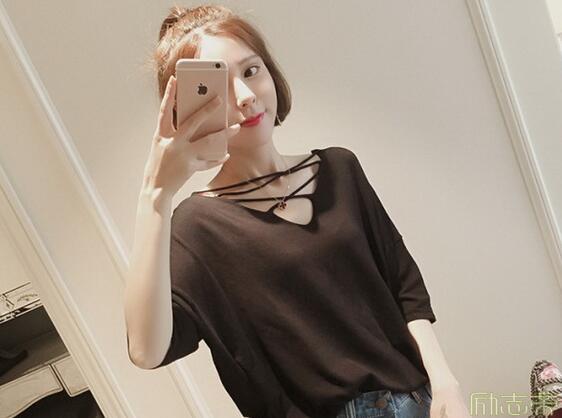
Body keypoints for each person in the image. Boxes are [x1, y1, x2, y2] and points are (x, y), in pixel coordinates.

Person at [123, 4, 471, 418]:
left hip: (416, 400)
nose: (245, 96)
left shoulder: (340, 169)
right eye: (218, 86)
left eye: (251, 70)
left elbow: (403, 283)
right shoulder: (197, 227)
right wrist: (155, 194)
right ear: (188, 108)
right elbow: (147, 351)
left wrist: (444, 380)